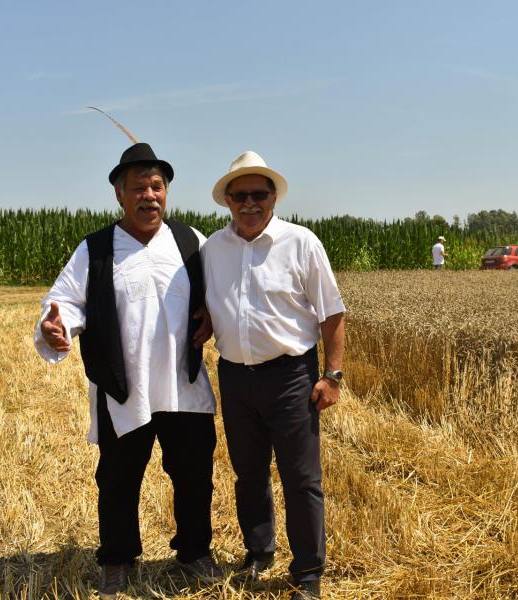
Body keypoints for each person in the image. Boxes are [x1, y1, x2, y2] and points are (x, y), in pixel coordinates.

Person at [34, 142, 220, 599]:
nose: (149, 196)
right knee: (117, 479)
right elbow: (65, 301)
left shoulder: (190, 241)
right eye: (138, 188)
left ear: (166, 192)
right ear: (119, 194)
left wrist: (213, 314)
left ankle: (194, 550)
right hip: (123, 388)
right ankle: (117, 559)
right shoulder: (96, 249)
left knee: (194, 474)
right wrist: (56, 326)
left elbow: (221, 292)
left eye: (157, 186)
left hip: (183, 384)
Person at [201, 151, 346, 600]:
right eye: (240, 195)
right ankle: (259, 551)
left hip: (290, 378)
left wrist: (332, 376)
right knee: (248, 474)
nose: (249, 203)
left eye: (258, 194)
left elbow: (332, 312)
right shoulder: (212, 249)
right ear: (227, 200)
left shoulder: (301, 243)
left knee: (301, 479)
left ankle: (308, 573)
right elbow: (207, 304)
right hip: (235, 377)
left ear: (273, 198)